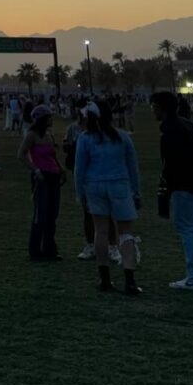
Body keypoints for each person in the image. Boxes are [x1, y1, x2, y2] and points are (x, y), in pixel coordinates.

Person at [150, 91, 193, 291]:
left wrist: (167, 187)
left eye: (154, 106)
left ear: (161, 108)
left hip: (184, 185)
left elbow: (172, 163)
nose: (152, 110)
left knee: (188, 229)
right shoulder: (186, 124)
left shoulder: (170, 131)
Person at [74, 101, 143, 295]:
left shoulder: (85, 139)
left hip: (94, 186)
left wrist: (80, 194)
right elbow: (133, 167)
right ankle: (129, 279)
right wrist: (136, 192)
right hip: (120, 185)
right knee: (126, 232)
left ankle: (105, 279)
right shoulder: (122, 137)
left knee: (101, 231)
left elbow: (79, 170)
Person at [18, 104, 64, 261]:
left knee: (52, 214)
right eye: (49, 116)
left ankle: (50, 249)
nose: (52, 119)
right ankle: (36, 250)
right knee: (41, 214)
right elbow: (21, 154)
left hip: (53, 176)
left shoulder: (49, 135)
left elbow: (53, 155)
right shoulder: (32, 135)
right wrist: (35, 170)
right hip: (41, 178)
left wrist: (60, 168)